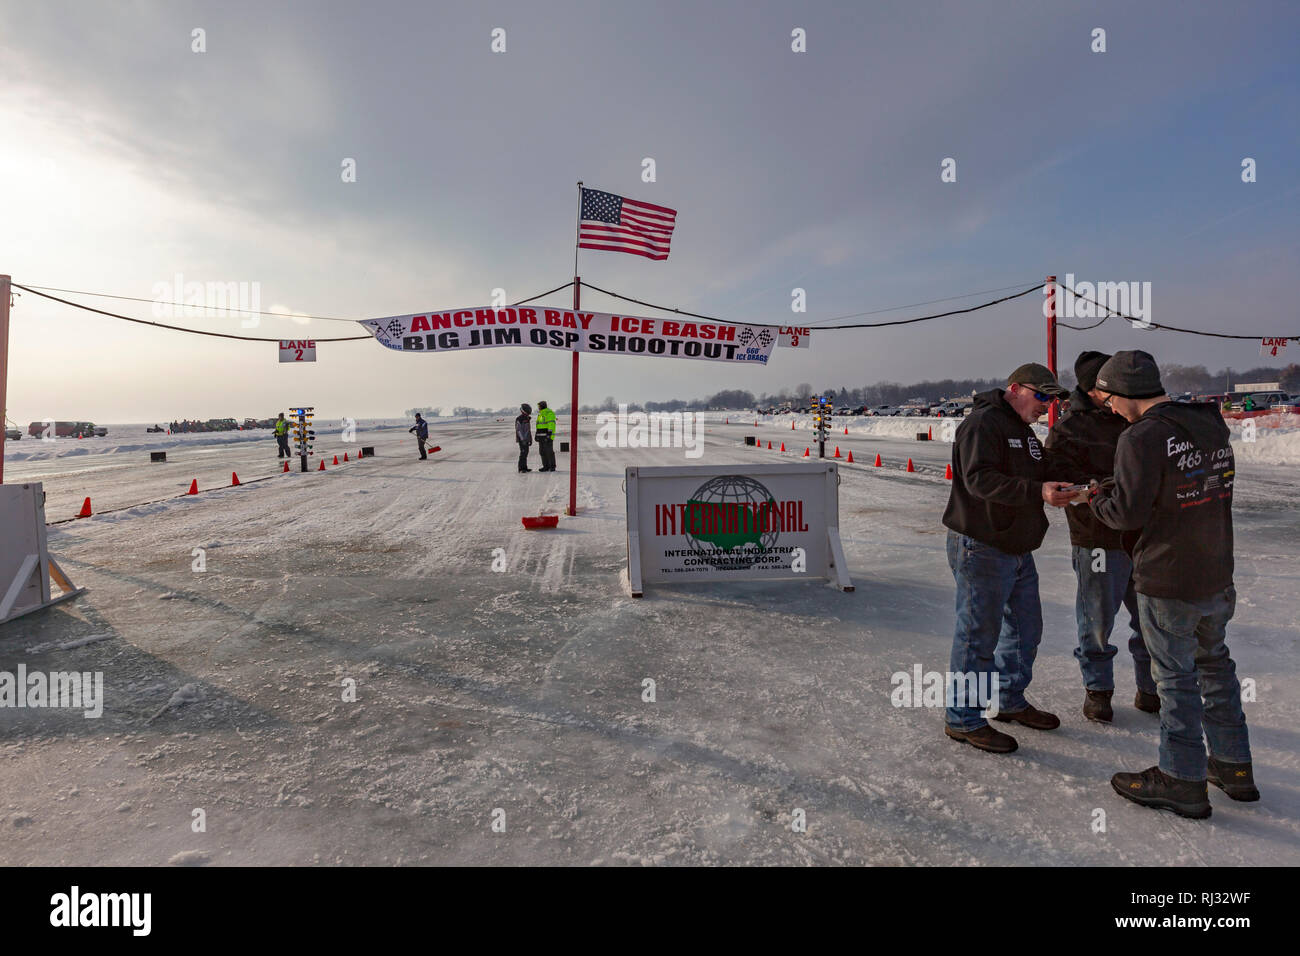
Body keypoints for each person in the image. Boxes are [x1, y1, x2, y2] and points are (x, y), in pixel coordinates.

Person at [1090, 351, 1256, 819]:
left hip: (1168, 577)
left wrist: (1097, 497)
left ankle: (1182, 778)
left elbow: (1127, 513)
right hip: (1216, 572)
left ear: (1121, 392)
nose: (1108, 407)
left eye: (1107, 398)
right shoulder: (1209, 423)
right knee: (1216, 667)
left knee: (1176, 680)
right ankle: (1234, 766)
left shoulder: (1140, 437)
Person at [941, 363, 1080, 754]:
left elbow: (1041, 469)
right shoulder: (982, 424)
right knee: (977, 637)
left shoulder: (1023, 430)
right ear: (1015, 388)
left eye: (1052, 399)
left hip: (1017, 547)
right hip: (981, 545)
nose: (1047, 405)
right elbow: (978, 480)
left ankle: (1009, 699)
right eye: (1042, 396)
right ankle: (962, 719)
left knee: (1025, 630)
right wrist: (1038, 492)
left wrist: (1075, 480)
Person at [1045, 351, 1157, 722]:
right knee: (1096, 620)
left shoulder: (1138, 417)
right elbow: (1062, 483)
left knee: (1150, 620)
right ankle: (1099, 690)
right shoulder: (1068, 429)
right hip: (1097, 538)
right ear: (1092, 389)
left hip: (1144, 539)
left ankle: (1151, 689)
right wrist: (1099, 491)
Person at [535, 400, 557, 472]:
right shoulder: (540, 414)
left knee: (549, 452)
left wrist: (549, 435)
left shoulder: (549, 413)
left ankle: (552, 466)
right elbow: (539, 426)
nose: (538, 408)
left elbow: (551, 424)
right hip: (541, 436)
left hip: (547, 436)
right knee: (542, 452)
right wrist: (536, 435)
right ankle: (545, 466)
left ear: (542, 406)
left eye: (539, 406)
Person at [515, 403, 533, 472]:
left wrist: (530, 439)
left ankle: (524, 467)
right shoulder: (520, 418)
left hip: (526, 439)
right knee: (523, 453)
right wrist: (523, 440)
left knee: (526, 453)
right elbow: (519, 430)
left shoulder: (527, 418)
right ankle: (521, 468)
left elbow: (528, 430)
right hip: (522, 439)